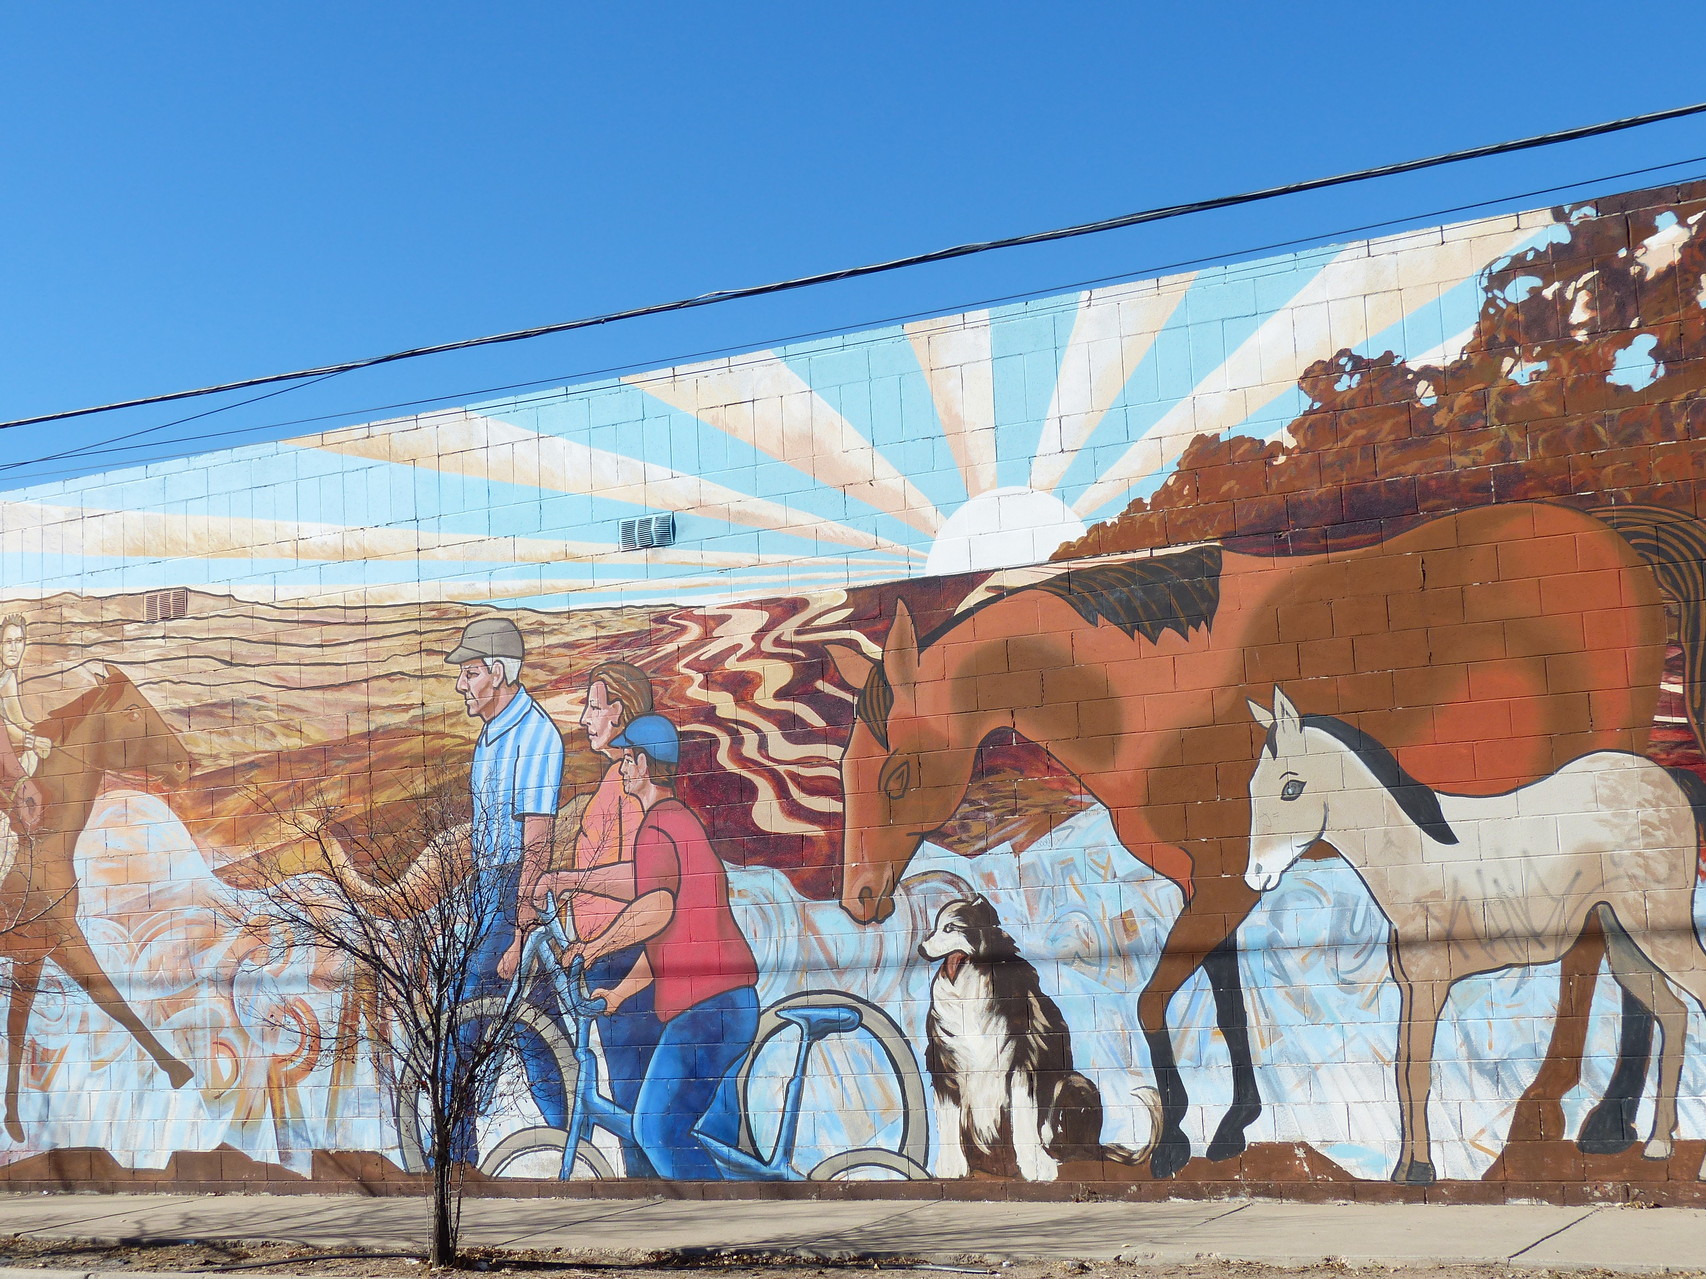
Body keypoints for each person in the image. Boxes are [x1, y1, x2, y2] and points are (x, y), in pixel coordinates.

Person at [564, 713, 758, 1180]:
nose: (621, 769)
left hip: (704, 1012)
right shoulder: (681, 822)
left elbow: (655, 910)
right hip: (730, 1004)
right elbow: (665, 941)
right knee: (704, 1136)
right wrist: (618, 994)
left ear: (644, 765)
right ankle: (733, 1202)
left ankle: (713, 1219)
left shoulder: (655, 828)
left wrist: (593, 947)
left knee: (655, 1129)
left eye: (627, 760)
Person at [529, 661, 665, 1176]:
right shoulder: (614, 778)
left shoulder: (632, 783)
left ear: (620, 711)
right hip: (603, 953)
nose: (584, 718)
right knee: (627, 1088)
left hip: (623, 953)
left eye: (593, 706)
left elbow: (643, 878)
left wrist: (567, 880)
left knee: (633, 1089)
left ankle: (649, 1193)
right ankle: (643, 1187)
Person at [444, 616, 569, 1139]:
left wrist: (521, 932)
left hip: (515, 890)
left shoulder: (536, 735)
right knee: (538, 1033)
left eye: (470, 672)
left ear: (497, 673)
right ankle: (572, 1144)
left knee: (461, 1020)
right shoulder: (490, 735)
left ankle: (453, 1156)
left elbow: (537, 842)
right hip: (487, 890)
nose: (461, 685)